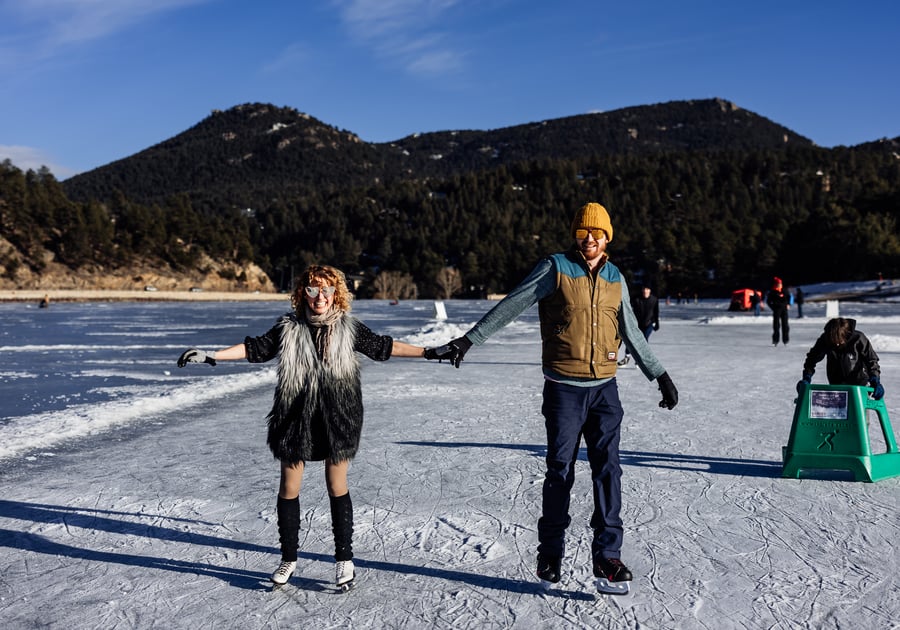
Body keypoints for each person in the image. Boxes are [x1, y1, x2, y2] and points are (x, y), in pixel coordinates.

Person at [429, 202, 678, 594]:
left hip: (605, 389)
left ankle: (607, 556)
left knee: (608, 470)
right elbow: (513, 302)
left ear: (607, 237)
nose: (590, 240)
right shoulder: (556, 267)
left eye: (597, 234)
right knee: (560, 470)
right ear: (575, 236)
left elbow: (629, 326)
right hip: (563, 388)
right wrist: (469, 339)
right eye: (583, 234)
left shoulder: (615, 277)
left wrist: (659, 374)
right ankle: (551, 551)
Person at [177, 264, 446, 590]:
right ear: (302, 293)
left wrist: (430, 352)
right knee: (289, 487)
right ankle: (288, 557)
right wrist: (211, 356)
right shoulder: (287, 327)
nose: (320, 297)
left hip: (339, 416)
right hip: (295, 416)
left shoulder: (349, 327)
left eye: (327, 290)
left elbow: (384, 347)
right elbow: (255, 348)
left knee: (337, 484)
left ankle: (344, 559)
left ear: (337, 294)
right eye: (313, 290)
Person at [796, 317, 884, 399]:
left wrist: (875, 381)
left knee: (859, 414)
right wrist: (806, 378)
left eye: (838, 342)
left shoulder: (858, 338)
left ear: (845, 335)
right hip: (836, 387)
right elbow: (811, 359)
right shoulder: (826, 339)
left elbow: (872, 360)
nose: (836, 345)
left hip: (859, 386)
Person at [617, 285, 659, 366]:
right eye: (644, 289)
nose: (645, 291)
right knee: (631, 340)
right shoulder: (636, 299)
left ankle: (640, 359)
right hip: (636, 324)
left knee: (644, 340)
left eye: (647, 289)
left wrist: (657, 324)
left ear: (650, 291)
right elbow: (627, 307)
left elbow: (656, 312)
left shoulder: (654, 300)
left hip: (648, 324)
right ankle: (627, 357)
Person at [766, 277, 790, 346]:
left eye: (780, 284)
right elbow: (768, 301)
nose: (779, 285)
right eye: (778, 284)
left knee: (785, 325)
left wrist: (788, 304)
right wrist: (773, 308)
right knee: (776, 326)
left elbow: (789, 298)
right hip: (777, 310)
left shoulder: (785, 290)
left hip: (784, 309)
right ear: (776, 284)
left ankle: (785, 340)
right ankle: (775, 340)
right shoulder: (772, 292)